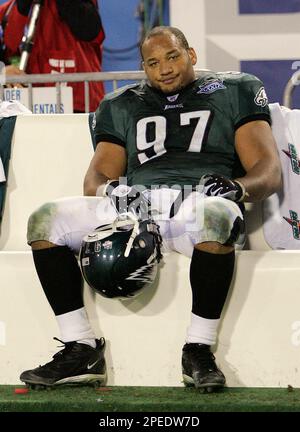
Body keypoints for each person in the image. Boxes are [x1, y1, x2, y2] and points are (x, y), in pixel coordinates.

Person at [19, 26, 281, 392]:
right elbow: (96, 177)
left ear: (191, 54)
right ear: (144, 67)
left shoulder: (233, 90)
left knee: (217, 216)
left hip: (197, 203)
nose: (165, 69)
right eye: (153, 63)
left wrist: (237, 188)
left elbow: (268, 172)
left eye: (173, 57)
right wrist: (114, 190)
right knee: (44, 220)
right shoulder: (121, 103)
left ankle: (199, 349)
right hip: (139, 208)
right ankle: (80, 346)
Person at [0, 0, 105, 112]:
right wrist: (2, 70)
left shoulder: (80, 5)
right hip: (28, 109)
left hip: (79, 107)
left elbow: (89, 31)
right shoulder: (7, 11)